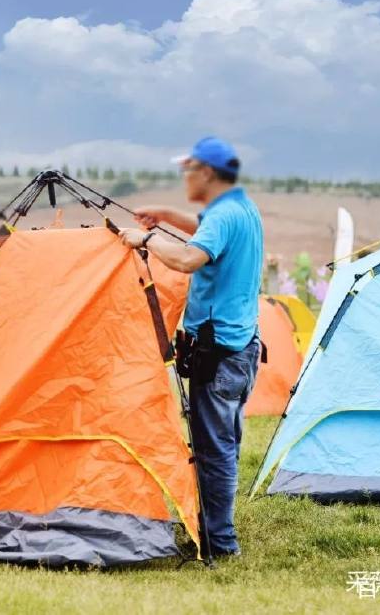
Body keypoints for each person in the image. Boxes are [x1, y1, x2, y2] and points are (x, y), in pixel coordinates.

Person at [119, 136, 263, 558]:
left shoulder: (222, 217)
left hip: (218, 356)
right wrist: (166, 217)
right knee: (224, 443)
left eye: (189, 169)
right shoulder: (239, 208)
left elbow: (186, 260)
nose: (184, 176)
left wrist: (143, 240)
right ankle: (216, 531)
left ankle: (220, 543)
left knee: (213, 449)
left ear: (208, 173)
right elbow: (206, 230)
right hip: (240, 348)